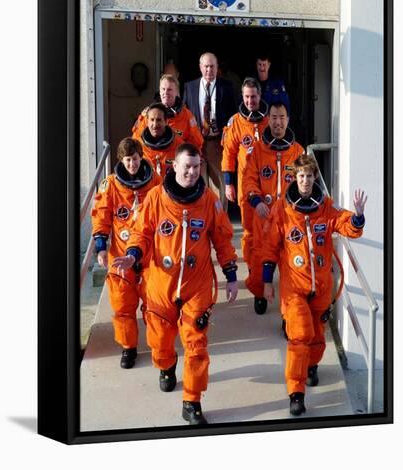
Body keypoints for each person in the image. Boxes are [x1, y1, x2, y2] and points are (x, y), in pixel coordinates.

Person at [112, 143, 239, 425]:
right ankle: (166, 365)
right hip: (161, 285)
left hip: (197, 285)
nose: (192, 172)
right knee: (160, 340)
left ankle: (192, 401)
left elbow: (222, 239)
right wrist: (133, 255)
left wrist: (231, 276)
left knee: (196, 345)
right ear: (175, 167)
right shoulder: (156, 198)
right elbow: (141, 233)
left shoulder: (209, 201)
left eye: (196, 167)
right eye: (187, 167)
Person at [260, 154, 367, 416]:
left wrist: (358, 217)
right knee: (299, 336)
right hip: (294, 287)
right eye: (301, 176)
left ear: (314, 178)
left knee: (318, 337)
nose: (305, 181)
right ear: (294, 178)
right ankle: (296, 392)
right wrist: (266, 282)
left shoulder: (325, 207)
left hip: (321, 286)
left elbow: (346, 224)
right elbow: (269, 247)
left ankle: (311, 366)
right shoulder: (282, 211)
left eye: (309, 176)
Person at [91, 137, 161, 369]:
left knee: (155, 305)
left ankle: (159, 346)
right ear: (122, 160)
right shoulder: (111, 185)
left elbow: (165, 214)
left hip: (150, 255)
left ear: (142, 158)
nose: (132, 165)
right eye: (128, 160)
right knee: (122, 304)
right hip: (121, 254)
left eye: (136, 159)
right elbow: (101, 215)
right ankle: (128, 347)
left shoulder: (155, 183)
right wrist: (101, 247)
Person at [242, 101, 304, 315]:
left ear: (288, 120)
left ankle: (290, 314)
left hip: (289, 219)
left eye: (282, 118)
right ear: (268, 119)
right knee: (260, 259)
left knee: (290, 267)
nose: (278, 122)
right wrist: (256, 201)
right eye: (274, 117)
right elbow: (248, 179)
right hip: (265, 216)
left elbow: (306, 182)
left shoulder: (297, 151)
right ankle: (260, 293)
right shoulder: (258, 150)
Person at [221, 77, 269, 267]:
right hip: (245, 185)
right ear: (242, 97)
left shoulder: (269, 119)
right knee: (249, 230)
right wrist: (228, 183)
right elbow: (229, 154)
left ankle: (266, 264)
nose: (250, 101)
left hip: (268, 184)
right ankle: (252, 268)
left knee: (268, 228)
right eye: (247, 97)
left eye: (254, 97)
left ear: (260, 95)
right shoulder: (236, 123)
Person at [183, 52, 237, 209]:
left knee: (219, 186)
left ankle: (219, 222)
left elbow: (233, 115)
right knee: (196, 182)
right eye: (206, 66)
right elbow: (185, 114)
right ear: (200, 67)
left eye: (212, 66)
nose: (209, 70)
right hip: (196, 143)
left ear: (217, 67)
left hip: (216, 142)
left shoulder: (226, 87)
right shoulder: (190, 86)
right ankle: (200, 220)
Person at [132, 74, 203, 150]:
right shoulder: (148, 114)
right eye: (163, 89)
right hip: (151, 159)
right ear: (159, 91)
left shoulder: (186, 115)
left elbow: (196, 143)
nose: (165, 92)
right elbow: (136, 140)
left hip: (176, 158)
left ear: (176, 92)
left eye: (169, 89)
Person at [134, 102, 184, 177]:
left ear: (166, 121)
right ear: (147, 121)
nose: (155, 125)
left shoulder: (179, 145)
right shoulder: (137, 146)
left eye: (158, 120)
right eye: (152, 120)